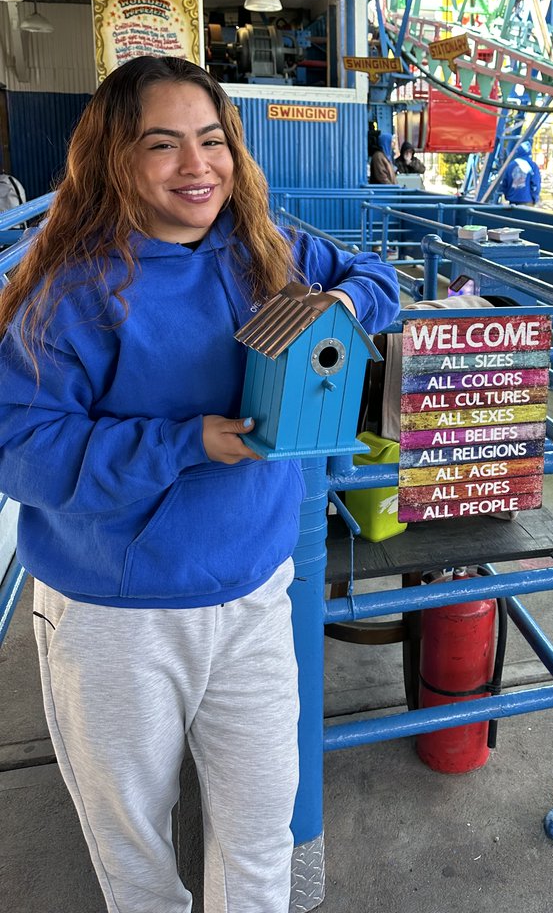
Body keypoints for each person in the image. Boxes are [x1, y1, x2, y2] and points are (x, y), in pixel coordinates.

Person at [0, 55, 400, 913]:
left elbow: (377, 277)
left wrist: (341, 311)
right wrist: (183, 444)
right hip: (117, 613)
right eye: (163, 145)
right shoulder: (69, 291)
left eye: (213, 141)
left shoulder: (262, 248)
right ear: (114, 159)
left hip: (257, 592)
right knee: (135, 846)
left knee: (260, 835)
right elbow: (23, 447)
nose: (198, 166)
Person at [499, 141, 541, 206]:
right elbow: (535, 183)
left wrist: (507, 196)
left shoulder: (510, 165)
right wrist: (535, 198)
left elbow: (504, 183)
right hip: (527, 200)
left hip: (512, 200)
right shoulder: (533, 165)